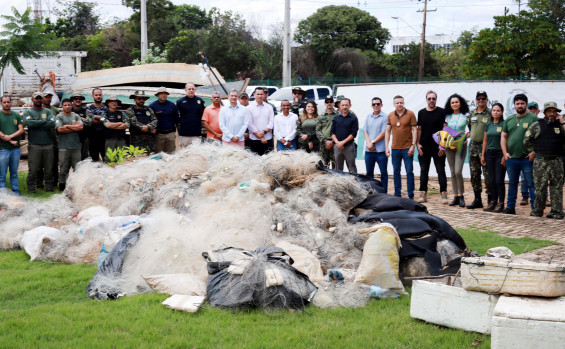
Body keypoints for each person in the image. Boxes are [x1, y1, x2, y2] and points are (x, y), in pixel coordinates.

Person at [524, 102, 565, 219]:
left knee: (556, 188)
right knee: (540, 188)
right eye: (549, 111)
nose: (552, 114)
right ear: (544, 112)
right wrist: (533, 151)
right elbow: (526, 141)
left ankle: (557, 212)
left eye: (554, 111)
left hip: (556, 161)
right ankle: (537, 211)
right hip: (541, 161)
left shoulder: (560, 126)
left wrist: (562, 122)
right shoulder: (536, 125)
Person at [501, 93, 538, 214]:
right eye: (517, 103)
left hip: (528, 158)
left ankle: (535, 209)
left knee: (531, 183)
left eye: (522, 103)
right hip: (511, 158)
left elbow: (540, 137)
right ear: (514, 105)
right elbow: (503, 137)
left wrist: (534, 152)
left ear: (526, 104)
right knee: (512, 183)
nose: (520, 105)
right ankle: (510, 208)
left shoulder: (533, 119)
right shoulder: (509, 119)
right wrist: (505, 153)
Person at [416, 90, 448, 203]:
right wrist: (417, 144)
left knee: (441, 170)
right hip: (424, 147)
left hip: (438, 147)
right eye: (429, 98)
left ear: (436, 99)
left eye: (433, 98)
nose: (431, 100)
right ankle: (422, 194)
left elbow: (445, 129)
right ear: (426, 99)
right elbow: (419, 130)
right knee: (424, 170)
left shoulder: (442, 112)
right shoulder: (421, 113)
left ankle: (444, 194)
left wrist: (442, 146)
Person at [385, 95, 417, 199]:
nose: (399, 104)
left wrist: (413, 145)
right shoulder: (390, 115)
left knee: (409, 171)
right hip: (395, 149)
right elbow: (387, 132)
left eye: (401, 102)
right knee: (396, 171)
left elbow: (415, 130)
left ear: (403, 103)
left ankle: (410, 193)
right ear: (394, 104)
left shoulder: (410, 114)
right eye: (397, 103)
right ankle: (397, 193)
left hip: (407, 148)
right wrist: (387, 147)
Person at [23, 92, 56, 193]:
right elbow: (29, 123)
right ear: (32, 100)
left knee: (49, 169)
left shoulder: (47, 111)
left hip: (48, 144)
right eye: (36, 98)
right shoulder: (28, 112)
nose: (38, 100)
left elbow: (52, 123)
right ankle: (31, 189)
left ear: (42, 100)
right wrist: (43, 121)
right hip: (34, 145)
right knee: (33, 169)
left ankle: (49, 188)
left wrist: (36, 122)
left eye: (40, 98)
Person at [443, 94, 470, 207]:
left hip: (460, 146)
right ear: (450, 104)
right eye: (452, 102)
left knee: (458, 171)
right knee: (453, 171)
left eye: (456, 102)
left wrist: (467, 137)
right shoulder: (447, 116)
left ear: (461, 103)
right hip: (449, 146)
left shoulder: (466, 116)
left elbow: (471, 130)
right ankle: (456, 196)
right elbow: (443, 130)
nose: (454, 104)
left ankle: (462, 195)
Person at [466, 91, 491, 209]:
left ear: (487, 100)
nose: (481, 100)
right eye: (479, 98)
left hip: (486, 146)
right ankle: (477, 200)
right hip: (473, 146)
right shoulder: (472, 113)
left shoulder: (491, 113)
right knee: (474, 174)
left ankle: (491, 200)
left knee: (488, 174)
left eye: (483, 98)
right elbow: (470, 128)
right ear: (476, 100)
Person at [481, 103, 505, 213]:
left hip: (500, 154)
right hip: (489, 154)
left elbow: (506, 140)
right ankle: (493, 201)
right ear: (491, 112)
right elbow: (485, 141)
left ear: (502, 112)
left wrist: (505, 155)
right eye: (494, 110)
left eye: (498, 110)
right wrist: (483, 155)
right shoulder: (488, 124)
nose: (496, 112)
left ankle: (501, 203)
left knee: (499, 180)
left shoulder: (504, 124)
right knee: (492, 180)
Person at [55, 98, 83, 191]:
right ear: (62, 106)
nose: (67, 107)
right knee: (63, 169)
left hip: (76, 147)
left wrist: (67, 126)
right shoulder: (59, 116)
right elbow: (60, 129)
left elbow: (81, 127)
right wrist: (74, 127)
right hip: (64, 147)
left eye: (69, 105)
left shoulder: (76, 116)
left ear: (72, 106)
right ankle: (62, 188)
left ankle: (76, 188)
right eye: (65, 105)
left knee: (77, 169)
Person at [0, 95, 24, 195]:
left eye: (8, 102)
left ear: (11, 103)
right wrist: (10, 140)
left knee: (14, 172)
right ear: (1, 104)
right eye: (4, 102)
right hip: (3, 149)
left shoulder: (16, 115)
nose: (6, 104)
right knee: (2, 173)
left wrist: (9, 137)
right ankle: (2, 193)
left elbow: (21, 130)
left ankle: (16, 192)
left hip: (15, 149)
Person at [363, 97, 388, 192]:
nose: (376, 106)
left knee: (383, 174)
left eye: (378, 104)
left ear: (381, 105)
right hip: (369, 150)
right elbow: (365, 131)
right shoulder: (368, 116)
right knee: (369, 174)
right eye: (374, 104)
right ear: (371, 106)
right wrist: (369, 143)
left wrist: (372, 142)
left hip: (381, 151)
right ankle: (371, 193)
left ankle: (384, 193)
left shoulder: (385, 116)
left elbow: (383, 132)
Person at [331, 98, 358, 173]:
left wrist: (342, 142)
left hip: (349, 146)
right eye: (343, 105)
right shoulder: (336, 118)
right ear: (340, 106)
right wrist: (337, 143)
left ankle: (354, 184)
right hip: (337, 146)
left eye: (346, 105)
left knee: (352, 168)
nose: (344, 107)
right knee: (338, 169)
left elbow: (353, 133)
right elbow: (332, 133)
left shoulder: (353, 118)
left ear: (350, 106)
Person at [150, 87, 178, 154]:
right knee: (158, 154)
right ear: (157, 95)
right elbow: (149, 119)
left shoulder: (172, 105)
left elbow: (176, 118)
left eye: (165, 93)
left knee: (171, 154)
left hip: (170, 134)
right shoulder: (152, 106)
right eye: (161, 94)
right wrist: (152, 129)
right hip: (158, 135)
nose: (163, 95)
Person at [247, 87, 274, 155]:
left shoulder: (269, 107)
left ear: (264, 95)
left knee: (268, 160)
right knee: (255, 161)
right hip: (254, 139)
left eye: (261, 94)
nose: (260, 96)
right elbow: (249, 124)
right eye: (258, 94)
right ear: (254, 95)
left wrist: (264, 132)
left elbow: (271, 122)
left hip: (268, 139)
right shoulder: (249, 108)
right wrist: (261, 137)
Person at [176, 82, 205, 147]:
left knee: (196, 153)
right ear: (185, 90)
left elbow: (202, 115)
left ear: (195, 90)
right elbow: (176, 116)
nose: (191, 90)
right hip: (184, 133)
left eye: (193, 89)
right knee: (184, 153)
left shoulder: (200, 101)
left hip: (196, 133)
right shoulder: (180, 102)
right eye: (189, 89)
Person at [85, 88, 109, 161]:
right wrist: (102, 118)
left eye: (100, 95)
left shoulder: (106, 108)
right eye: (96, 95)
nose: (98, 96)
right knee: (94, 160)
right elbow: (88, 121)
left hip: (104, 137)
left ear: (102, 96)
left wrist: (94, 117)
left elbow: (108, 120)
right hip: (92, 137)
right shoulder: (88, 109)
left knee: (106, 159)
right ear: (92, 96)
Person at [316, 97, 336, 168]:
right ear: (325, 103)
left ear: (333, 103)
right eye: (327, 102)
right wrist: (325, 141)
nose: (329, 103)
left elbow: (341, 130)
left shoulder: (338, 115)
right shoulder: (321, 116)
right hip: (323, 143)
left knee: (336, 165)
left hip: (335, 143)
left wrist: (333, 142)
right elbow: (318, 130)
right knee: (324, 165)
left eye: (331, 102)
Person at [70, 92, 89, 160]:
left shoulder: (86, 111)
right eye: (76, 99)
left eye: (80, 99)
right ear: (72, 100)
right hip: (71, 139)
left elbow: (89, 122)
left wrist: (77, 119)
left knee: (84, 159)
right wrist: (82, 120)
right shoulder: (69, 110)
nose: (78, 100)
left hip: (83, 139)